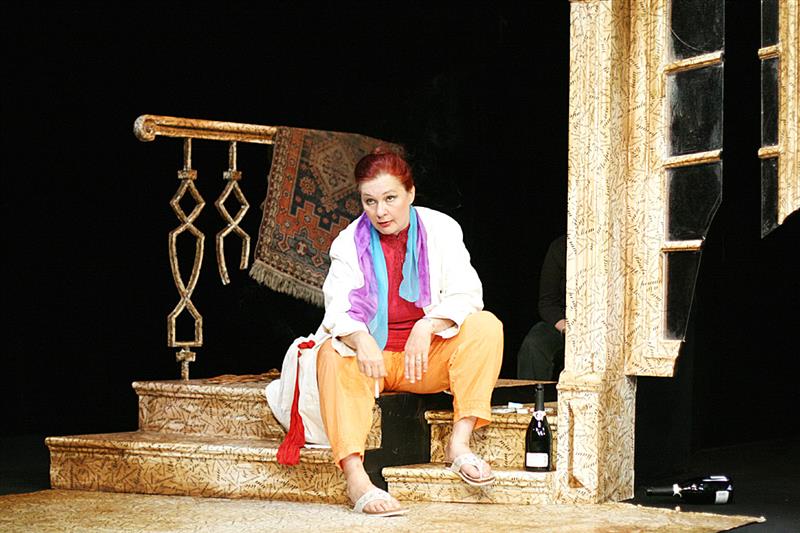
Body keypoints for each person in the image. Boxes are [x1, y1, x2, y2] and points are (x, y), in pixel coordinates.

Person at [315, 147, 503, 516]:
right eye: (369, 201)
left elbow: (468, 294)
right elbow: (336, 309)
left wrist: (428, 324)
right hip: (374, 364)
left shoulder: (441, 229)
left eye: (390, 198)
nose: (380, 212)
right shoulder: (348, 242)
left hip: (424, 360)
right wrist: (361, 338)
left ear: (410, 193)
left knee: (486, 326)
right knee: (330, 354)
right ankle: (356, 479)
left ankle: (459, 444)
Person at [516, 234, 566, 382]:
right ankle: (530, 393)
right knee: (535, 343)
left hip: (608, 327)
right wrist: (564, 326)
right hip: (566, 323)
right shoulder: (560, 247)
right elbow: (547, 302)